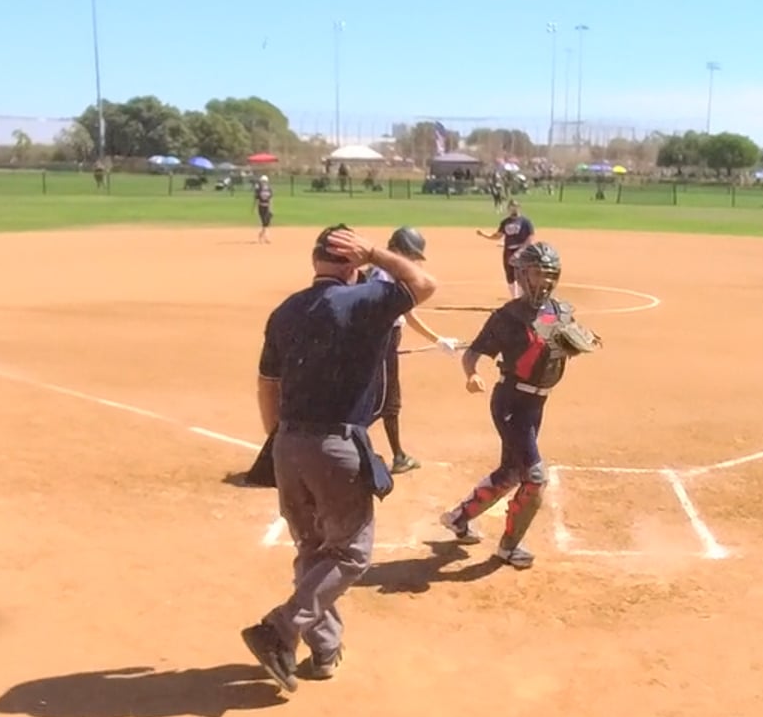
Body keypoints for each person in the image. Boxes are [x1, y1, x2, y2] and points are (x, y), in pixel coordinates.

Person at [241, 225, 439, 692]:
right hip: (337, 446)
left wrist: (280, 441)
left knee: (313, 551)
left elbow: (267, 385)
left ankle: (325, 650)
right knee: (350, 553)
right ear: (353, 264)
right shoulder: (366, 299)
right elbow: (424, 284)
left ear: (315, 261)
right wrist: (375, 253)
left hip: (287, 443)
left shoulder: (285, 311)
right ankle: (279, 629)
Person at [439, 242, 600, 570]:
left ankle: (458, 518)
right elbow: (473, 354)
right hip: (511, 403)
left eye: (549, 274)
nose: (544, 281)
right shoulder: (507, 317)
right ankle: (509, 547)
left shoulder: (560, 311)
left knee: (512, 470)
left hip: (536, 404)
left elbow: (563, 343)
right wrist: (472, 375)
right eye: (538, 273)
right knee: (535, 477)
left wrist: (581, 343)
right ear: (523, 275)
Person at [362, 227, 458, 474]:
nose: (413, 262)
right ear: (396, 250)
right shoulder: (382, 276)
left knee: (387, 401)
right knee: (383, 402)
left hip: (384, 342)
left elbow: (406, 312)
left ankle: (398, 455)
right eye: (410, 256)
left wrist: (437, 339)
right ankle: (349, 445)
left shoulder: (386, 273)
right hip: (381, 342)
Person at [476, 200, 536, 298]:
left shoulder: (525, 222)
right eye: (511, 207)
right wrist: (484, 234)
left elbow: (530, 237)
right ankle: (515, 298)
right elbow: (497, 236)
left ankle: (523, 298)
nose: (513, 209)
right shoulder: (505, 222)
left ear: (519, 208)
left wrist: (521, 251)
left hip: (521, 251)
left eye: (515, 207)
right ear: (508, 209)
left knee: (522, 274)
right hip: (508, 251)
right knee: (509, 274)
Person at [253, 175, 274, 243]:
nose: (264, 182)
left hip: (267, 207)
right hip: (261, 207)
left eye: (265, 181)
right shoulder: (258, 190)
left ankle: (261, 235)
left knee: (266, 224)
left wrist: (271, 208)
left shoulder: (269, 189)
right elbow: (257, 200)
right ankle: (266, 238)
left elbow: (271, 199)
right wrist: (255, 208)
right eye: (262, 181)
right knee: (264, 223)